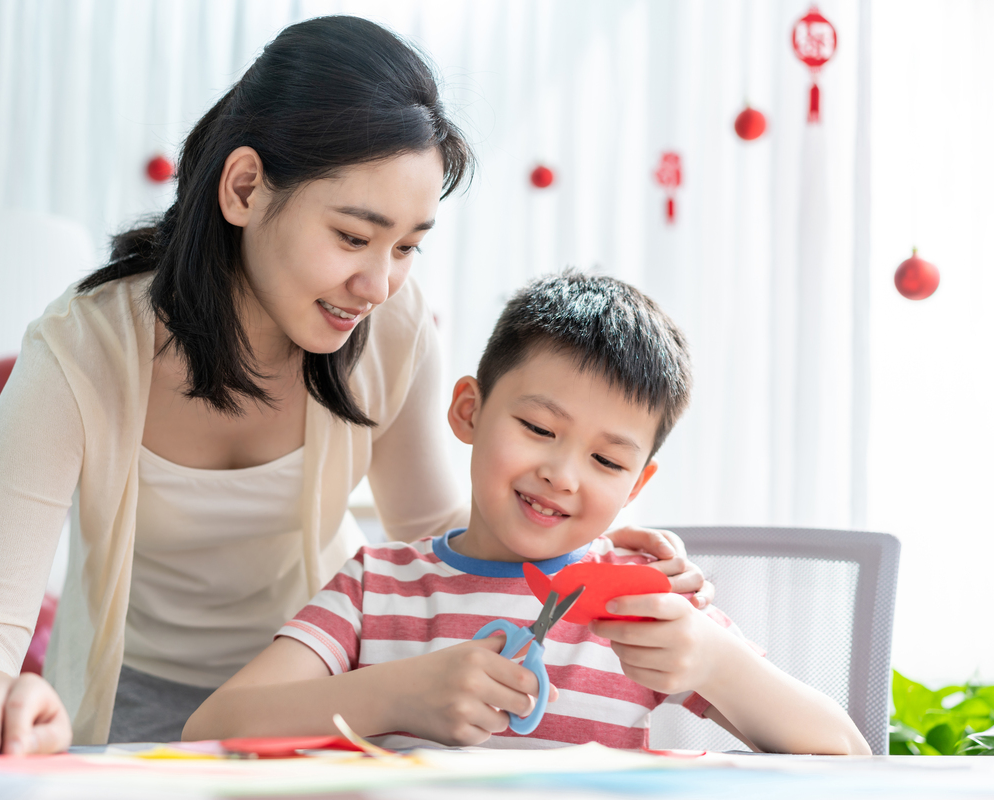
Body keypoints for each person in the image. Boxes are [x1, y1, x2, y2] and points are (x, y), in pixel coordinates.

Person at [0, 17, 711, 756]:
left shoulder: (393, 332)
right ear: (244, 189)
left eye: (407, 247)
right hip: (127, 697)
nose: (377, 282)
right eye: (353, 236)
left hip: (327, 688)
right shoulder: (81, 351)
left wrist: (591, 555)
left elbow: (440, 533)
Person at [183, 273, 870, 755]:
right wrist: (393, 696)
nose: (561, 474)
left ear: (637, 484)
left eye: (606, 462)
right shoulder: (377, 584)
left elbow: (845, 753)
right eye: (539, 429)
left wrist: (715, 661)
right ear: (469, 412)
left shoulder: (640, 602)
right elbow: (212, 728)